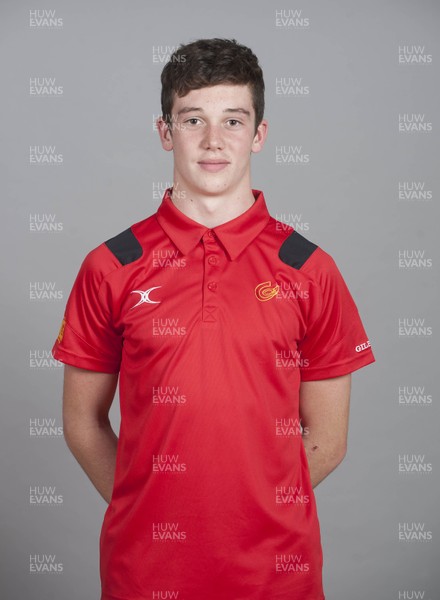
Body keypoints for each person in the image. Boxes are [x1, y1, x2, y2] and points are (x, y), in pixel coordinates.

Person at [52, 37, 375, 600]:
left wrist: (254, 509)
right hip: (145, 574)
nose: (212, 140)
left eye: (233, 120)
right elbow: (83, 424)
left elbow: (329, 436)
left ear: (259, 135)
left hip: (279, 576)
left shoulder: (310, 269)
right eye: (192, 119)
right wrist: (150, 505)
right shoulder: (111, 266)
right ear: (164, 131)